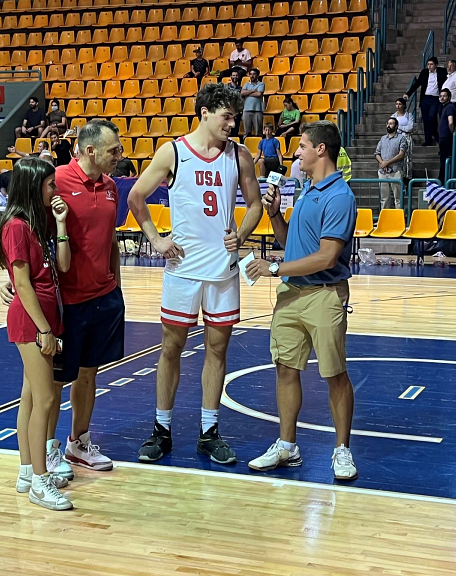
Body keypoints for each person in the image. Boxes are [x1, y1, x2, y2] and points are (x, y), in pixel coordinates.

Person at [127, 82, 263, 464]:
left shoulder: (240, 155)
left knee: (217, 350)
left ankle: (209, 431)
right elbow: (136, 196)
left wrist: (242, 232)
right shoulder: (173, 152)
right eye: (227, 116)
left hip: (222, 269)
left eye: (235, 117)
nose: (233, 124)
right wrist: (154, 238)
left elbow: (253, 205)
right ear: (204, 112)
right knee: (171, 348)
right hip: (182, 268)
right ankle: (161, 428)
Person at [1, 120, 125, 473]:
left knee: (90, 373)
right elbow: (24, 233)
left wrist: (115, 281)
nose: (119, 155)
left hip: (104, 295)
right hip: (64, 302)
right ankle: (47, 450)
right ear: (90, 151)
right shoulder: (55, 183)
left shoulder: (112, 186)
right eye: (113, 150)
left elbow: (110, 238)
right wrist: (11, 278)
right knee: (52, 384)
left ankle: (78, 443)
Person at [244, 120, 358, 481]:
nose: (296, 152)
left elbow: (326, 257)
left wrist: (275, 269)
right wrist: (276, 214)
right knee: (285, 369)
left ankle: (342, 450)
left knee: (334, 374)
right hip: (291, 296)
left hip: (324, 296)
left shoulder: (340, 196)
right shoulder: (308, 188)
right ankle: (286, 444)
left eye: (302, 146)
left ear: (321, 149)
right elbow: (291, 241)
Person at [0, 157, 73, 511]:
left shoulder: (35, 223)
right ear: (33, 186)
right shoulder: (15, 226)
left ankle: (28, 470)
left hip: (42, 317)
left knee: (30, 398)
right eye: (50, 184)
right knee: (44, 400)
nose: (55, 190)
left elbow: (59, 267)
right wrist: (45, 330)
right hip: (31, 321)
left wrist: (59, 223)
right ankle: (41, 482)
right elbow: (22, 284)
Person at [404, 56, 447, 146]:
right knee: (426, 120)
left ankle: (435, 135)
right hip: (425, 99)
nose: (429, 66)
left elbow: (451, 79)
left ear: (436, 65)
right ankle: (428, 140)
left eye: (431, 64)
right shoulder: (424, 72)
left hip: (435, 99)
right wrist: (408, 93)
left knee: (432, 117)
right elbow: (417, 84)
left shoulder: (442, 71)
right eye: (428, 64)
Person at [375, 118, 407, 209]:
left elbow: (401, 155)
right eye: (388, 123)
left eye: (391, 124)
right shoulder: (383, 138)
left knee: (398, 198)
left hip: (396, 171)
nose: (389, 125)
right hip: (383, 172)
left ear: (396, 126)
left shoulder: (401, 138)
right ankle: (384, 219)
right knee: (384, 198)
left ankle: (399, 219)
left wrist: (387, 163)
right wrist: (382, 163)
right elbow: (377, 153)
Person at [391, 98, 414, 179]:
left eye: (400, 104)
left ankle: (408, 176)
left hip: (407, 138)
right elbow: (392, 127)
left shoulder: (409, 115)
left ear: (403, 105)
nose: (398, 106)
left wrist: (398, 127)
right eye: (396, 104)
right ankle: (399, 174)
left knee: (408, 158)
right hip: (396, 138)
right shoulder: (393, 116)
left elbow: (410, 128)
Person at [437, 89, 456, 184]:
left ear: (449, 97)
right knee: (442, 158)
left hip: (446, 136)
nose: (442, 97)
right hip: (443, 136)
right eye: (440, 96)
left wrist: (451, 132)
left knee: (444, 159)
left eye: (444, 96)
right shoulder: (443, 107)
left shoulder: (450, 107)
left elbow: (451, 122)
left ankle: (442, 180)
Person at [241, 68, 264, 137]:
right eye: (250, 74)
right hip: (246, 110)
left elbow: (259, 94)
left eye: (254, 74)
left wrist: (247, 93)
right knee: (246, 133)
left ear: (257, 76)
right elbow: (242, 93)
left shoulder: (261, 84)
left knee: (258, 132)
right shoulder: (246, 84)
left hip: (257, 110)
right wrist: (253, 90)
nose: (252, 76)